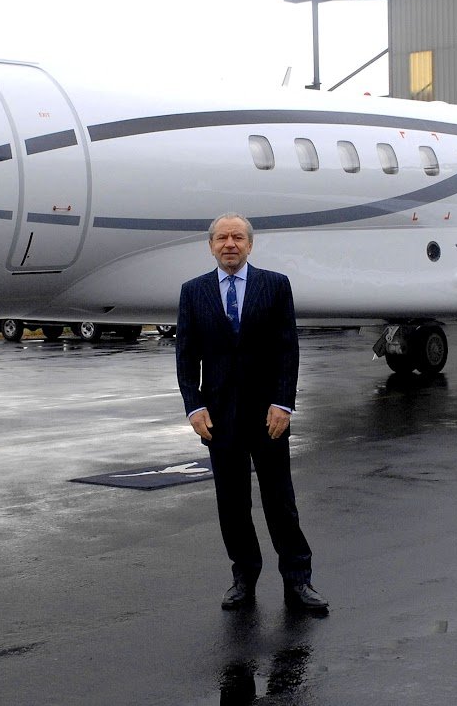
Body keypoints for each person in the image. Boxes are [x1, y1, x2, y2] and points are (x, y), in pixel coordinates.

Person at [175, 212, 327, 615]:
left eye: (238, 237)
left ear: (250, 244)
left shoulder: (275, 286)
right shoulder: (193, 292)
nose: (230, 244)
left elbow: (287, 349)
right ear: (211, 246)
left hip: (268, 416)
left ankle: (298, 580)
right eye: (222, 238)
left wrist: (283, 403)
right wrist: (194, 406)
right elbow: (186, 355)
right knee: (232, 503)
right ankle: (244, 578)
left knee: (280, 500)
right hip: (219, 419)